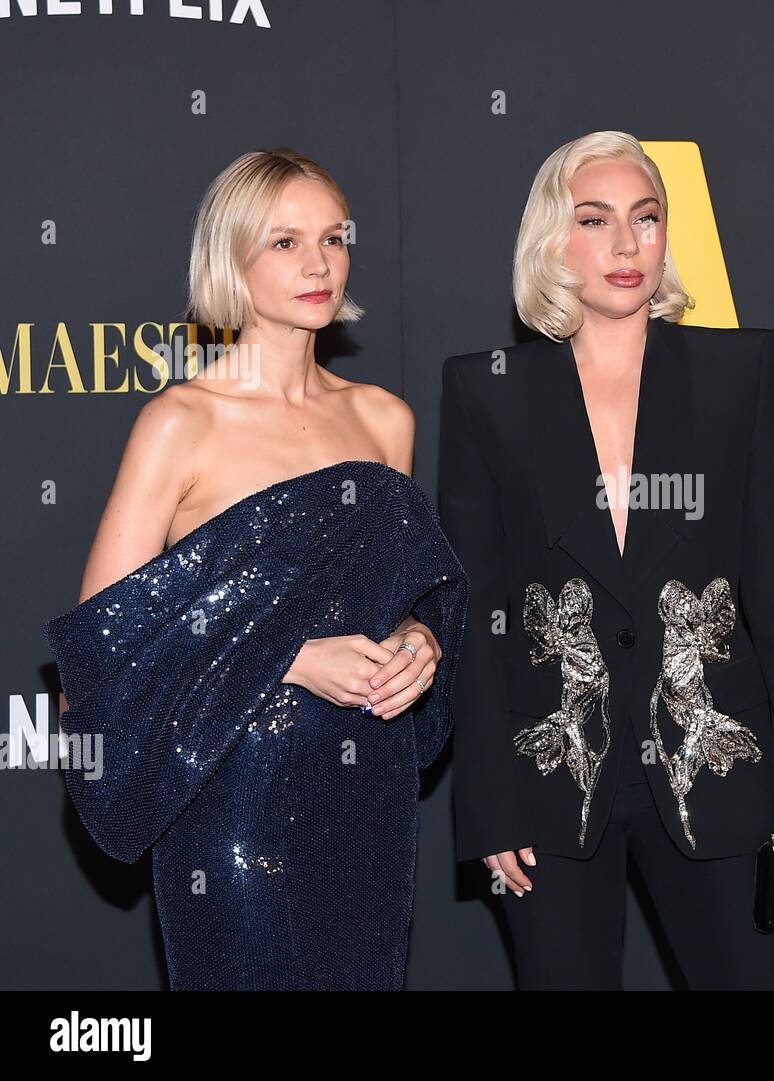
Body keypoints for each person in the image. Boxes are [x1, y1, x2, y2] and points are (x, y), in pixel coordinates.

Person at [43, 148, 467, 990]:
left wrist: (420, 637)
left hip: (368, 803)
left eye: (333, 238)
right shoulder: (182, 422)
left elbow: (406, 593)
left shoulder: (385, 420)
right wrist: (294, 658)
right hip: (234, 804)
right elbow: (98, 665)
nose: (318, 263)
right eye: (283, 242)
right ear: (231, 258)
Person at [440, 131, 774, 990]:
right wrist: (487, 797)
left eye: (646, 217)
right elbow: (475, 609)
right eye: (595, 220)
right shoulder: (489, 391)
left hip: (720, 769)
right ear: (552, 239)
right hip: (553, 778)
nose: (627, 246)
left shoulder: (742, 371)